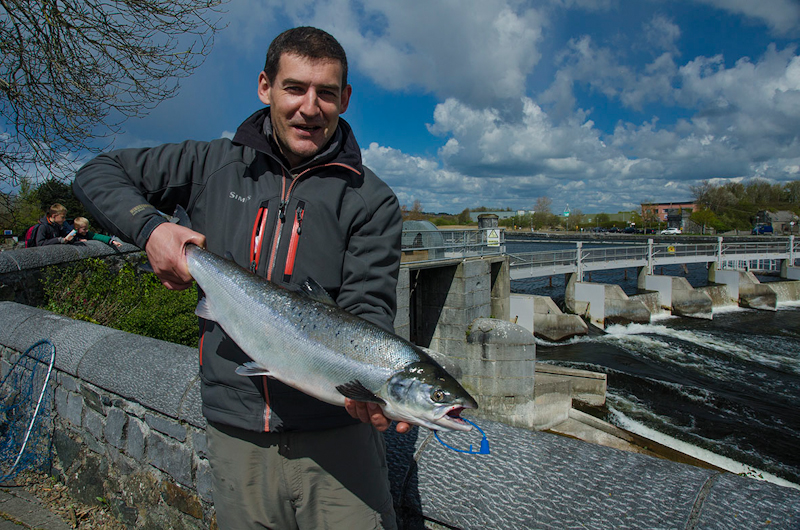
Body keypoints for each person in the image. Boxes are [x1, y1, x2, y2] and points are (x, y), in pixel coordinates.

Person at [73, 26, 408, 529]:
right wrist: (152, 228)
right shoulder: (212, 163)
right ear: (265, 87)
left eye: (327, 93)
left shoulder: (371, 199)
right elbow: (97, 172)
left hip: (339, 442)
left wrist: (373, 383)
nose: (310, 107)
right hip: (237, 431)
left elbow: (368, 308)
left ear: (346, 99)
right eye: (295, 88)